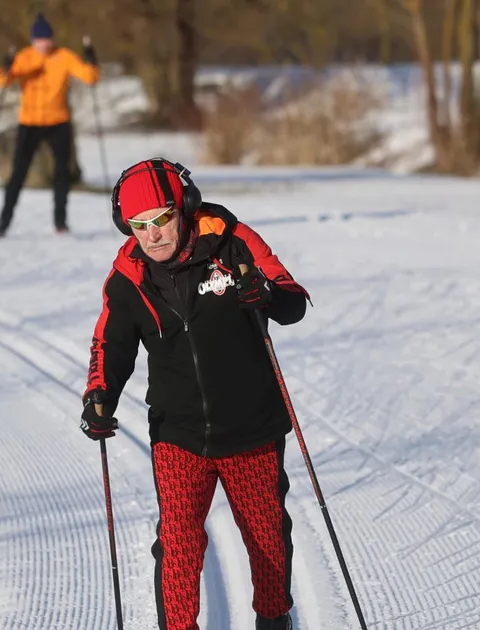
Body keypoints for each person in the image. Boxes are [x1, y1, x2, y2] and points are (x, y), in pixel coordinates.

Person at [80, 158, 312, 630]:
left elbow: (292, 302)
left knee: (267, 539)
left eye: (161, 219)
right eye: (138, 226)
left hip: (251, 426)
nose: (152, 235)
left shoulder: (233, 241)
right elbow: (111, 344)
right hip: (178, 432)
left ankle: (274, 621)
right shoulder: (128, 276)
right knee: (179, 543)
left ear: (182, 207)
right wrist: (98, 395)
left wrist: (262, 292)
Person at [0, 13, 100, 238]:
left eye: (47, 39)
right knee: (18, 172)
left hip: (58, 121)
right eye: (39, 40)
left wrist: (91, 58)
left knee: (61, 172)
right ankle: (3, 222)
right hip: (30, 122)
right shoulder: (25, 57)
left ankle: (60, 222)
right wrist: (6, 65)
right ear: (33, 41)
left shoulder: (63, 56)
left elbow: (89, 77)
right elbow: (3, 81)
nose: (43, 44)